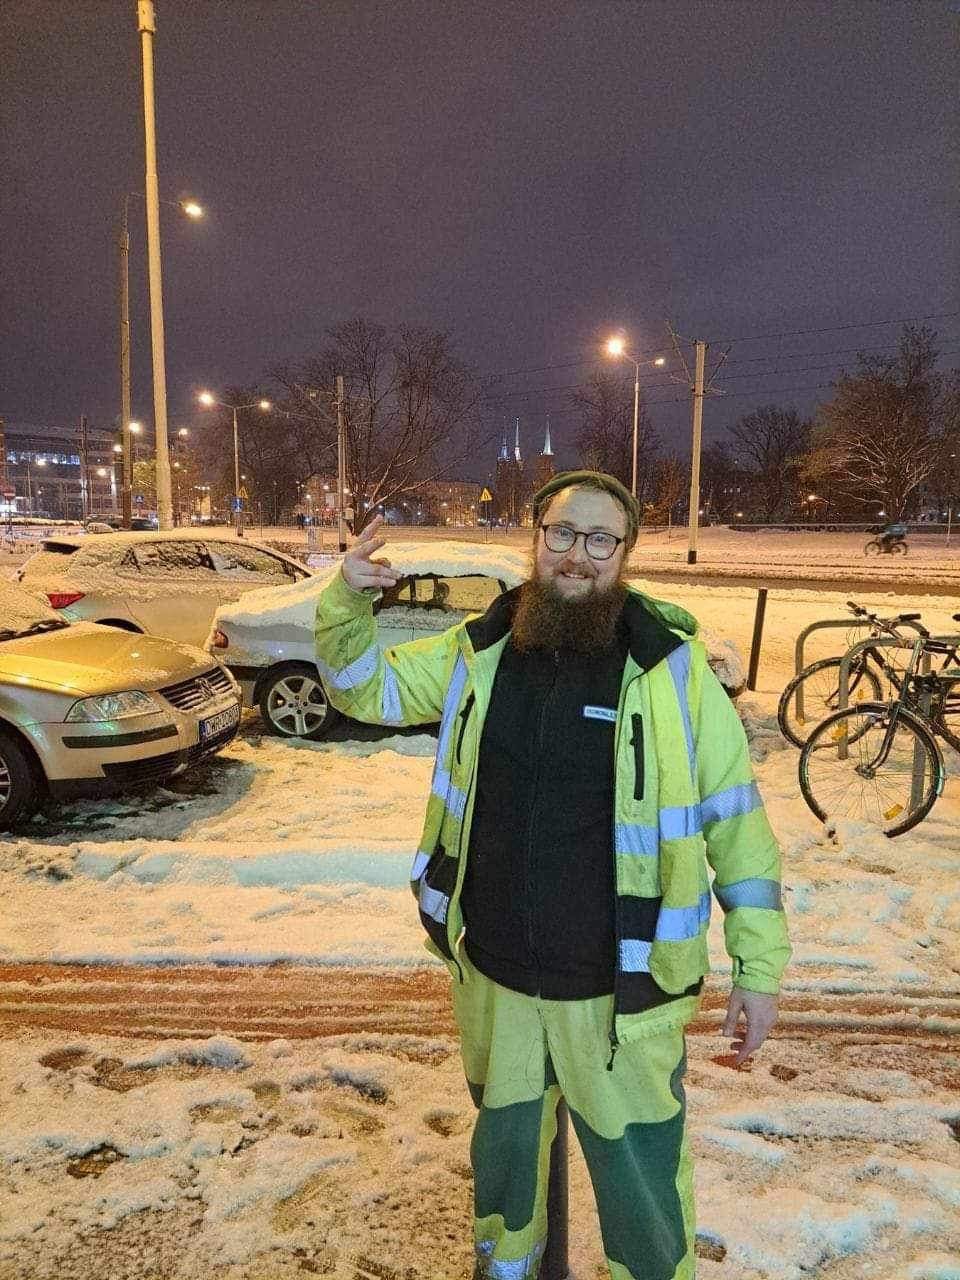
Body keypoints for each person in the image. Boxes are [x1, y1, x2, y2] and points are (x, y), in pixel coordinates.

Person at [314, 471, 791, 1280]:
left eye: (600, 539)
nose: (578, 554)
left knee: (641, 1195)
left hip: (621, 999)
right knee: (505, 1182)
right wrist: (346, 604)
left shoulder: (672, 672)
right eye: (562, 533)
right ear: (535, 539)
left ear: (625, 553)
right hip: (497, 980)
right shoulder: (482, 651)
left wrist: (760, 968)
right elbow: (368, 690)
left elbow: (738, 826)